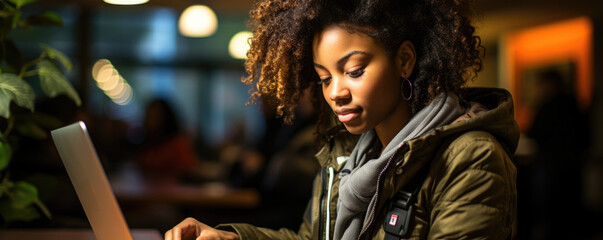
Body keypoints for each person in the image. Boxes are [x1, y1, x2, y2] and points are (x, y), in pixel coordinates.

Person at [165, 0, 519, 239]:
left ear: (405, 61)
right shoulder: (346, 153)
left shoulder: (471, 158)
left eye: (354, 70)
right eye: (324, 78)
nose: (336, 92)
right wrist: (232, 237)